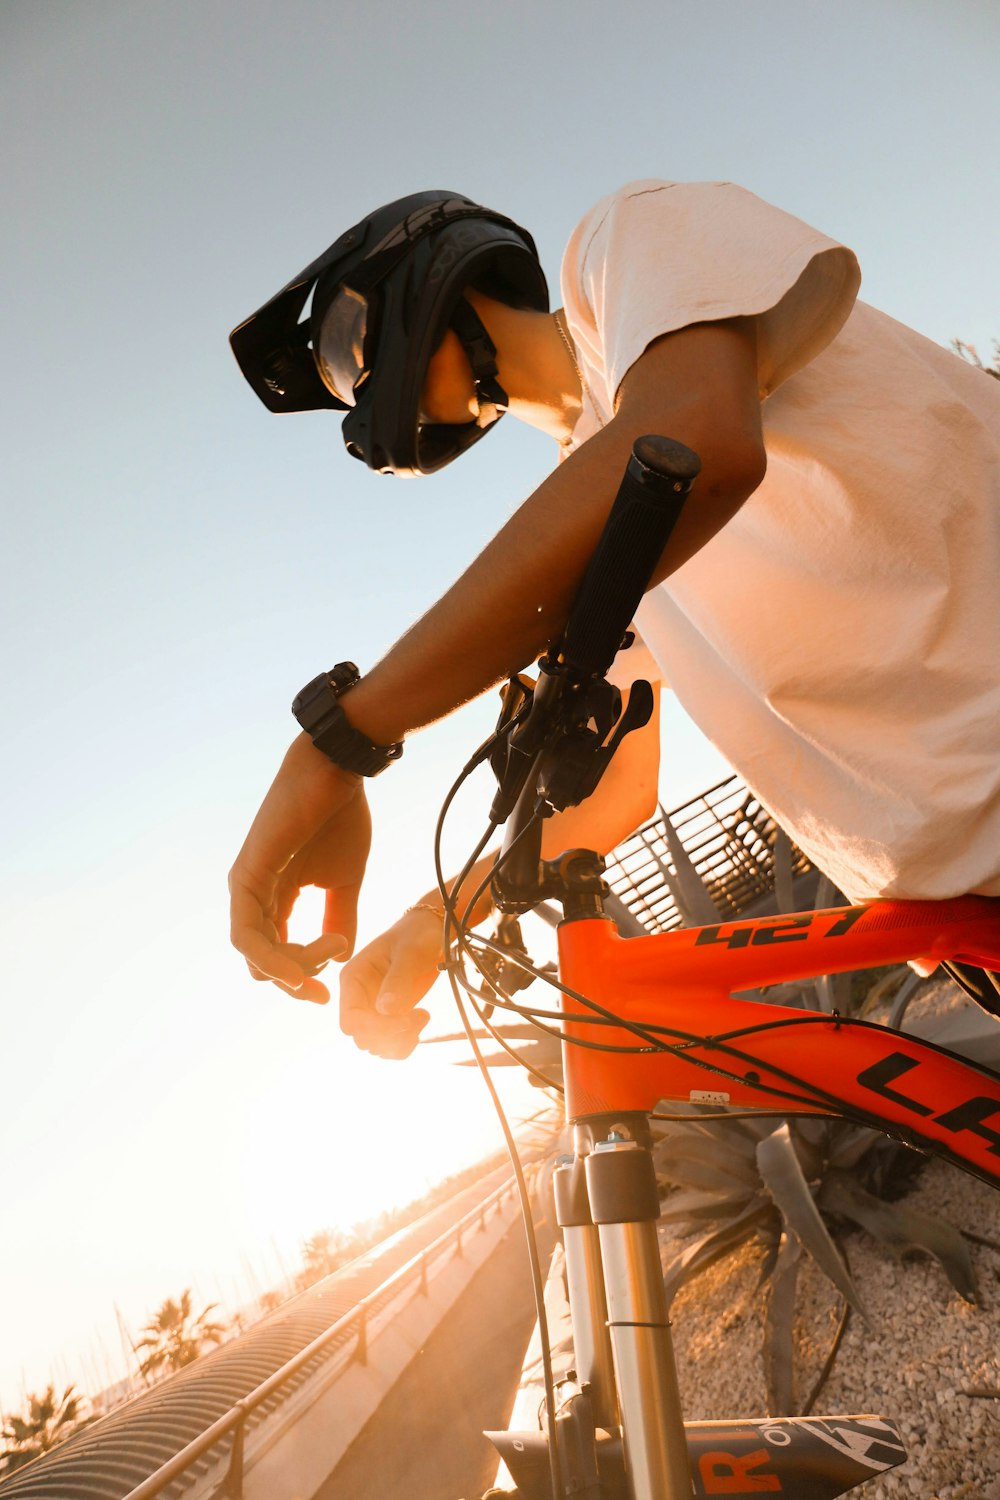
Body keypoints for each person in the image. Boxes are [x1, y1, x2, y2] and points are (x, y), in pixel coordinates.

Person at [227, 181, 1000, 1059]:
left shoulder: (627, 243)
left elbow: (697, 438)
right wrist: (434, 918)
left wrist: (342, 738)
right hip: (964, 918)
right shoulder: (597, 525)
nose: (357, 395)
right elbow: (614, 794)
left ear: (418, 274)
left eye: (344, 355)